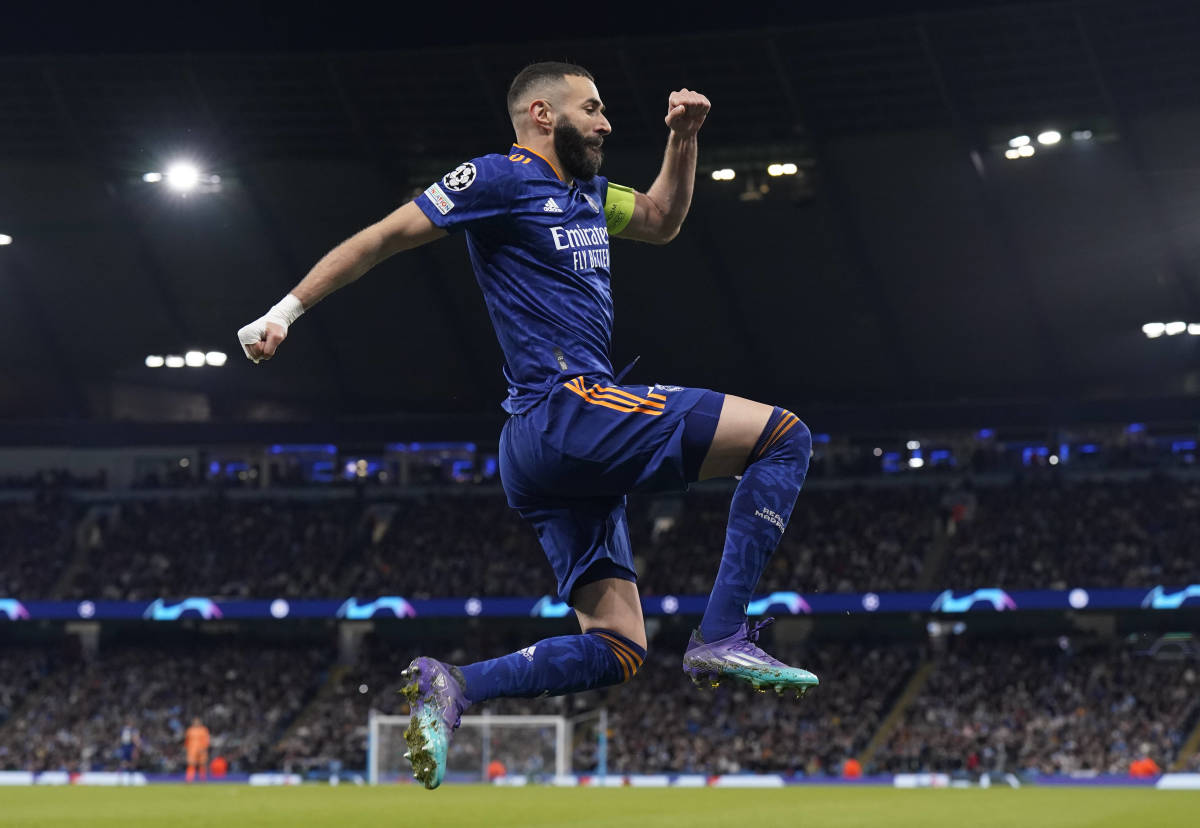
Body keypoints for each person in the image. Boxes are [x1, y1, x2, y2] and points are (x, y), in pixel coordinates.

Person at [238, 61, 817, 790]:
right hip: (566, 409)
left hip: (546, 451)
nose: (607, 123)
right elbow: (384, 237)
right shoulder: (499, 179)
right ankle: (725, 633)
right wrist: (284, 313)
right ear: (543, 114)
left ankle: (458, 686)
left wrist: (685, 138)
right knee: (784, 436)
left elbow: (665, 220)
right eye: (594, 108)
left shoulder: (589, 196)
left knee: (618, 647)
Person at [184, 717, 210, 783]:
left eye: (197, 721)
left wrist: (204, 748)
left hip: (201, 749)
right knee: (191, 764)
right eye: (195, 721)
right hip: (192, 750)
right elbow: (187, 740)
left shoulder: (204, 730)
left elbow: (206, 740)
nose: (196, 723)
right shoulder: (190, 730)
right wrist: (187, 748)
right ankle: (189, 779)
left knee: (202, 764)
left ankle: (202, 779)